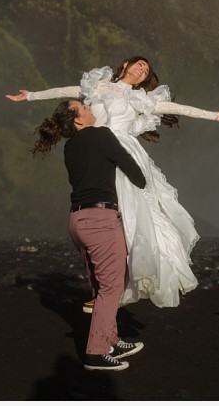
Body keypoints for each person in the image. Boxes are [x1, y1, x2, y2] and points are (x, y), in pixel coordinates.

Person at [7, 56, 219, 310]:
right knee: (104, 210)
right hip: (95, 148)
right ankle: (106, 286)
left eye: (146, 70)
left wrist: (216, 116)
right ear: (126, 64)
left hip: (122, 149)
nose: (142, 69)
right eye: (139, 64)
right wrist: (29, 96)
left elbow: (178, 109)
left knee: (133, 214)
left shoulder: (141, 99)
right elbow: (64, 92)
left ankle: (121, 283)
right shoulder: (96, 85)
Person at [31, 98, 146, 371]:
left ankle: (112, 340)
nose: (92, 108)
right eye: (84, 108)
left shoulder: (70, 147)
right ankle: (95, 353)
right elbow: (135, 173)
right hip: (100, 220)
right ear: (78, 119)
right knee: (111, 287)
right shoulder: (101, 135)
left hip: (77, 220)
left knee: (100, 285)